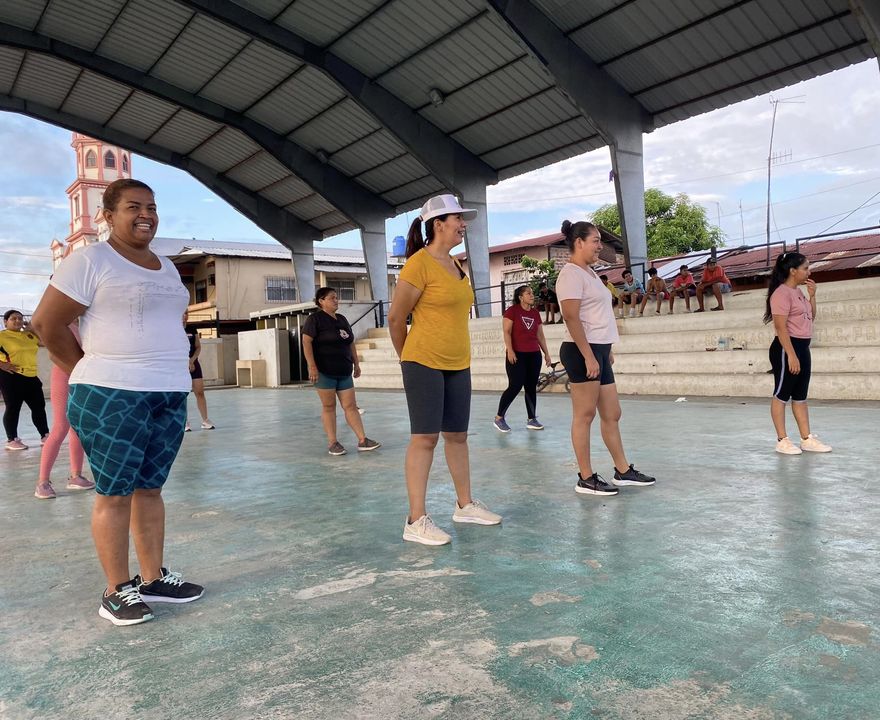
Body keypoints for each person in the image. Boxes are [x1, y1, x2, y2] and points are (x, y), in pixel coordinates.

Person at [31, 178, 204, 626]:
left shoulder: (167, 268)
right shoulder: (90, 260)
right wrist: (89, 371)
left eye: (151, 206)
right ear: (107, 215)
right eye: (133, 207)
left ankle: (153, 579)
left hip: (168, 392)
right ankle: (115, 590)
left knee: (150, 489)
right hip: (111, 394)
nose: (146, 215)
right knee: (115, 493)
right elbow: (46, 323)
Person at [388, 194, 501, 546]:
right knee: (425, 438)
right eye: (457, 219)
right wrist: (407, 359)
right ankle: (415, 520)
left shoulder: (456, 265)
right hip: (423, 360)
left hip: (457, 362)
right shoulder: (418, 265)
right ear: (438, 224)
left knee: (457, 436)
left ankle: (465, 505)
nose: (463, 225)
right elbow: (395, 318)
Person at [555, 219, 656, 496]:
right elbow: (571, 317)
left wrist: (606, 349)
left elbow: (598, 315)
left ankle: (623, 470)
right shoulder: (570, 274)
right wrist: (589, 356)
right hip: (581, 350)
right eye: (596, 240)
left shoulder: (589, 273)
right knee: (584, 415)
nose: (600, 246)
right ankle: (586, 478)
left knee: (612, 413)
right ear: (579, 243)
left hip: (598, 349)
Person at [764, 252, 831, 455]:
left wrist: (812, 296)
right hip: (786, 348)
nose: (809, 272)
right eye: (805, 268)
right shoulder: (781, 294)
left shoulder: (799, 292)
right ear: (793, 271)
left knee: (800, 395)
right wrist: (791, 355)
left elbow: (811, 317)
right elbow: (780, 327)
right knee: (782, 394)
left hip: (802, 347)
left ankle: (806, 438)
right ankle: (782, 440)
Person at [301, 287, 380, 456]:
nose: (336, 300)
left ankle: (362, 440)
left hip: (344, 371)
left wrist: (356, 363)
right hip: (324, 372)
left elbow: (350, 342)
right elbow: (306, 342)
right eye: (332, 298)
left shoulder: (342, 319)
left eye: (336, 297)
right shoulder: (315, 320)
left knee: (350, 406)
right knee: (329, 406)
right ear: (321, 301)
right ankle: (333, 443)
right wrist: (311, 366)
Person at [34, 321, 95, 499]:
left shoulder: (87, 323)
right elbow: (54, 354)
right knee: (61, 426)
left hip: (83, 377)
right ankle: (42, 482)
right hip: (64, 374)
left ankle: (76, 476)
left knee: (77, 427)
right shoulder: (63, 323)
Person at [494, 285, 552, 433]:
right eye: (528, 293)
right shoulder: (512, 311)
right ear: (520, 297)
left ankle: (532, 419)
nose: (532, 295)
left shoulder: (535, 313)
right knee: (515, 385)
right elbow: (507, 332)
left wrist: (546, 353)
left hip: (534, 355)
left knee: (531, 387)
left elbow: (540, 336)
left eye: (532, 293)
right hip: (517, 354)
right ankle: (499, 418)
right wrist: (510, 350)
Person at [0, 309, 50, 450]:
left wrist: (33, 330)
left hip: (31, 376)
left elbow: (46, 343)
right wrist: (2, 364)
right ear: (5, 322)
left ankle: (45, 435)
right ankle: (12, 439)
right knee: (13, 408)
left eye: (20, 318)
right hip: (11, 376)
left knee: (38, 407)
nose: (18, 321)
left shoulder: (28, 335)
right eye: (13, 318)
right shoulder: (2, 336)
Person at [183, 318, 214, 432]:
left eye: (187, 313)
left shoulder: (192, 328)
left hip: (194, 363)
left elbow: (198, 347)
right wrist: (185, 361)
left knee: (200, 392)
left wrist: (192, 360)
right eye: (183, 312)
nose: (185, 315)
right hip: (180, 364)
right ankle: (185, 422)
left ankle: (205, 420)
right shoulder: (174, 328)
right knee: (183, 395)